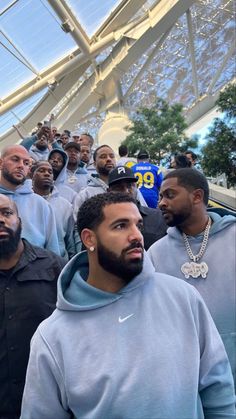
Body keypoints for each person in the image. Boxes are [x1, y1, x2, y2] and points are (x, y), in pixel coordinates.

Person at [21, 192, 235, 418]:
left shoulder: (183, 297)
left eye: (138, 225)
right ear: (89, 239)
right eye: (121, 226)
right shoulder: (53, 336)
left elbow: (217, 386)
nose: (136, 236)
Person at [148, 168, 236, 384]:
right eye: (160, 196)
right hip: (185, 376)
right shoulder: (156, 253)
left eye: (169, 195)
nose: (161, 203)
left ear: (197, 196)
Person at [0, 194, 65, 419]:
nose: (1, 220)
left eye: (7, 213)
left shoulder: (54, 267)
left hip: (47, 401)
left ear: (21, 221)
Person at [0, 145, 60, 254]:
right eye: (15, 160)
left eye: (26, 163)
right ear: (1, 163)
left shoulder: (41, 204)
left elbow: (53, 250)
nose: (21, 166)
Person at [108, 166, 167, 249]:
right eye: (118, 188)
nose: (125, 191)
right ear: (108, 192)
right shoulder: (103, 222)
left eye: (129, 186)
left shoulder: (159, 217)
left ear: (137, 187)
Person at [32, 161, 76, 260]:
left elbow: (70, 240)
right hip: (30, 263)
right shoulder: (26, 201)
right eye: (41, 170)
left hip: (59, 262)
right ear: (32, 175)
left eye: (50, 172)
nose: (47, 174)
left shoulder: (66, 205)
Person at [73, 144, 116, 214]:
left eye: (112, 156)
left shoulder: (127, 188)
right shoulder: (85, 194)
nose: (109, 159)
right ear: (94, 164)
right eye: (103, 157)